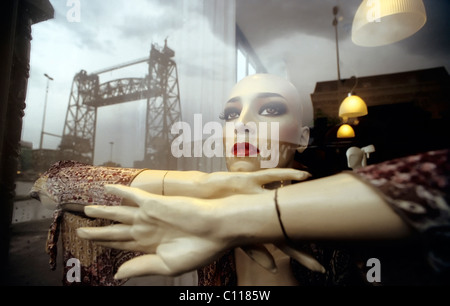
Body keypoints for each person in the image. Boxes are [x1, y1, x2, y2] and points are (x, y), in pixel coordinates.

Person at [33, 74, 450, 286]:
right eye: (230, 116)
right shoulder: (195, 208)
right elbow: (53, 184)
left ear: (303, 136)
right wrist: (199, 187)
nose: (243, 126)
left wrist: (241, 218)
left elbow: (435, 183)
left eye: (269, 111)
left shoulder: (349, 223)